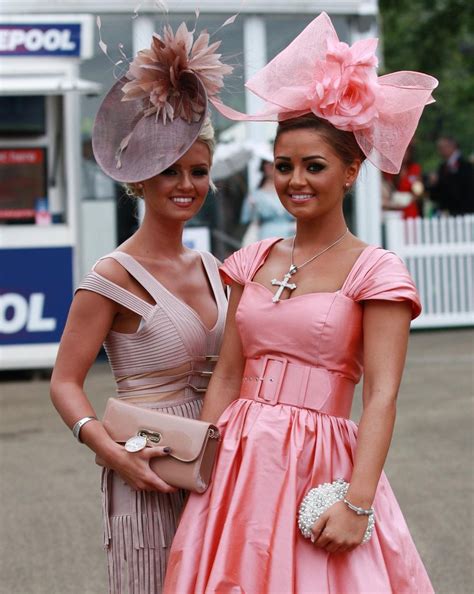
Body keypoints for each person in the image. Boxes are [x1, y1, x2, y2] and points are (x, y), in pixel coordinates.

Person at [164, 13, 437, 593]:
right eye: (284, 166)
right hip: (238, 461)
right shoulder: (252, 257)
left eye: (314, 166)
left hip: (322, 463)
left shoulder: (377, 271)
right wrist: (196, 461)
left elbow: (382, 396)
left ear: (350, 171)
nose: (296, 181)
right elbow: (228, 373)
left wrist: (358, 502)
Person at [50, 21, 232, 594]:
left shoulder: (211, 266)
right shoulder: (110, 276)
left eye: (197, 172)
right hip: (146, 469)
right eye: (169, 172)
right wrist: (110, 453)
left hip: (219, 469)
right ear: (138, 181)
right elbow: (63, 383)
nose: (186, 185)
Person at [240, 149, 295, 242]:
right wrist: (252, 207)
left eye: (274, 164)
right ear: (263, 167)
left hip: (290, 235)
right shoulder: (255, 194)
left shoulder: (289, 190)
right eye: (268, 164)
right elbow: (248, 220)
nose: (271, 167)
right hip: (265, 237)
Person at [430, 135, 474, 215]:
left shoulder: (465, 166)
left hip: (464, 212)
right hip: (449, 212)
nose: (440, 151)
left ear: (452, 146)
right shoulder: (443, 167)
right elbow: (436, 195)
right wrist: (434, 184)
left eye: (442, 147)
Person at [382, 143, 424, 219]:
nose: (403, 154)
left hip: (410, 208)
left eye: (405, 151)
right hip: (394, 208)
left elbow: (419, 190)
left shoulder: (414, 168)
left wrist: (410, 198)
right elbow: (386, 187)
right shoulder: (389, 170)